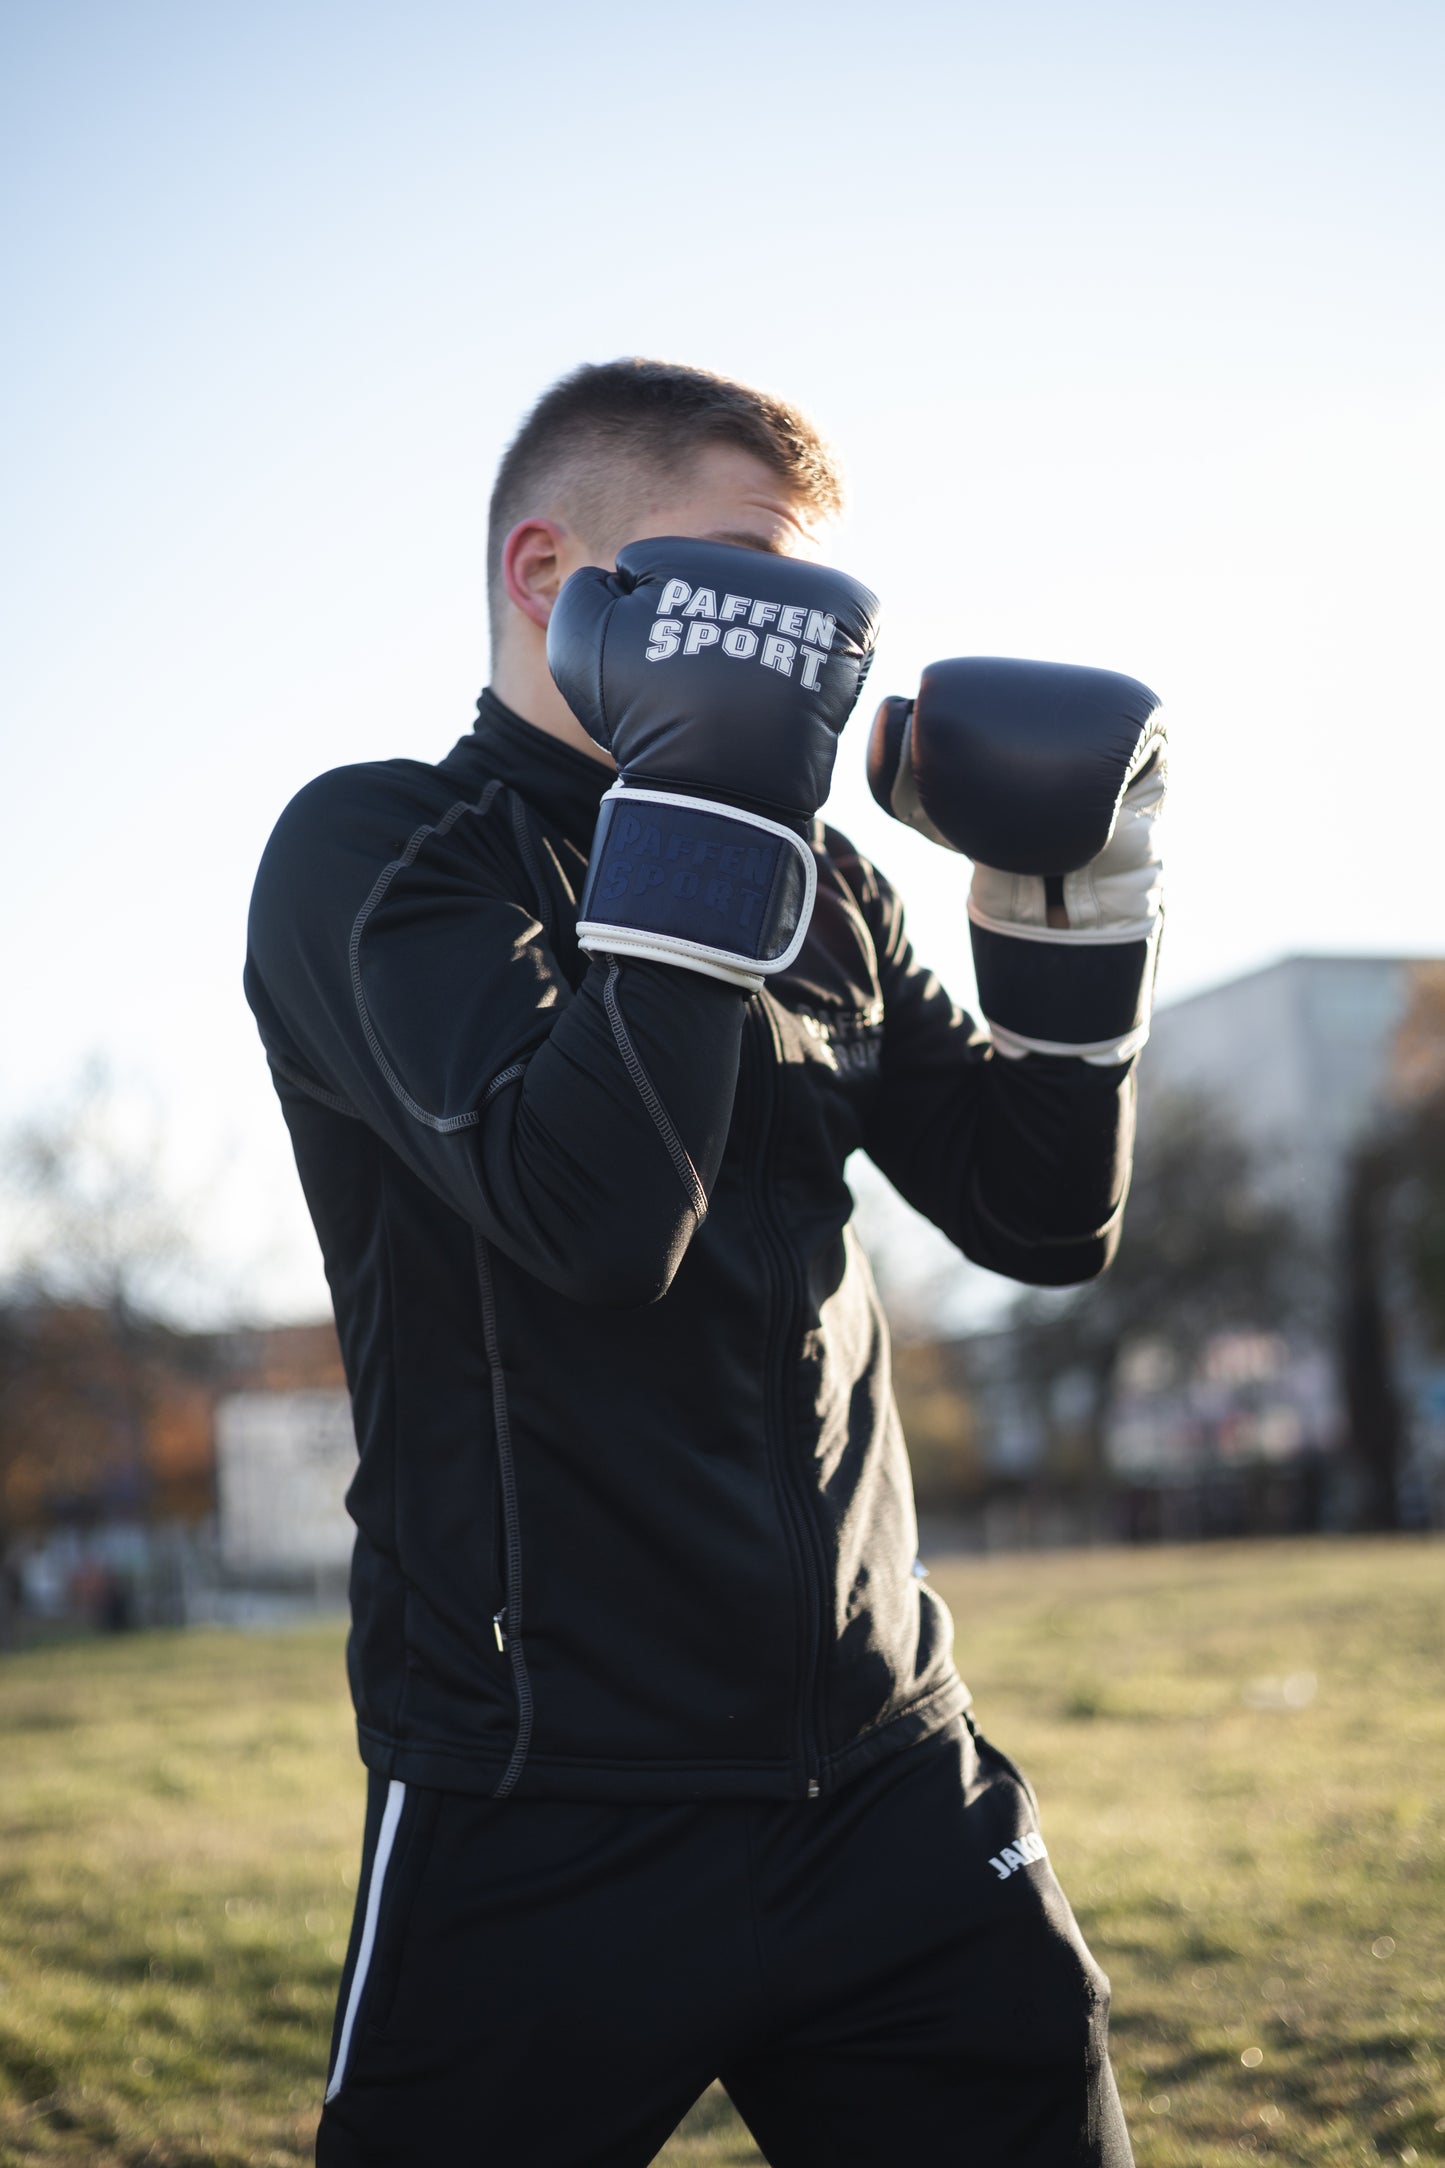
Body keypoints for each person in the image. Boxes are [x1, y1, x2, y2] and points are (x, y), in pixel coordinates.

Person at [245, 357, 1164, 2167]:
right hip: (542, 1801)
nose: (800, 654)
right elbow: (594, 1219)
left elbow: (1044, 1220)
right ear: (544, 573)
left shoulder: (825, 883)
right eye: (748, 586)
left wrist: (1073, 920)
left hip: (889, 1773)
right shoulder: (376, 858)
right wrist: (709, 819)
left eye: (822, 609)